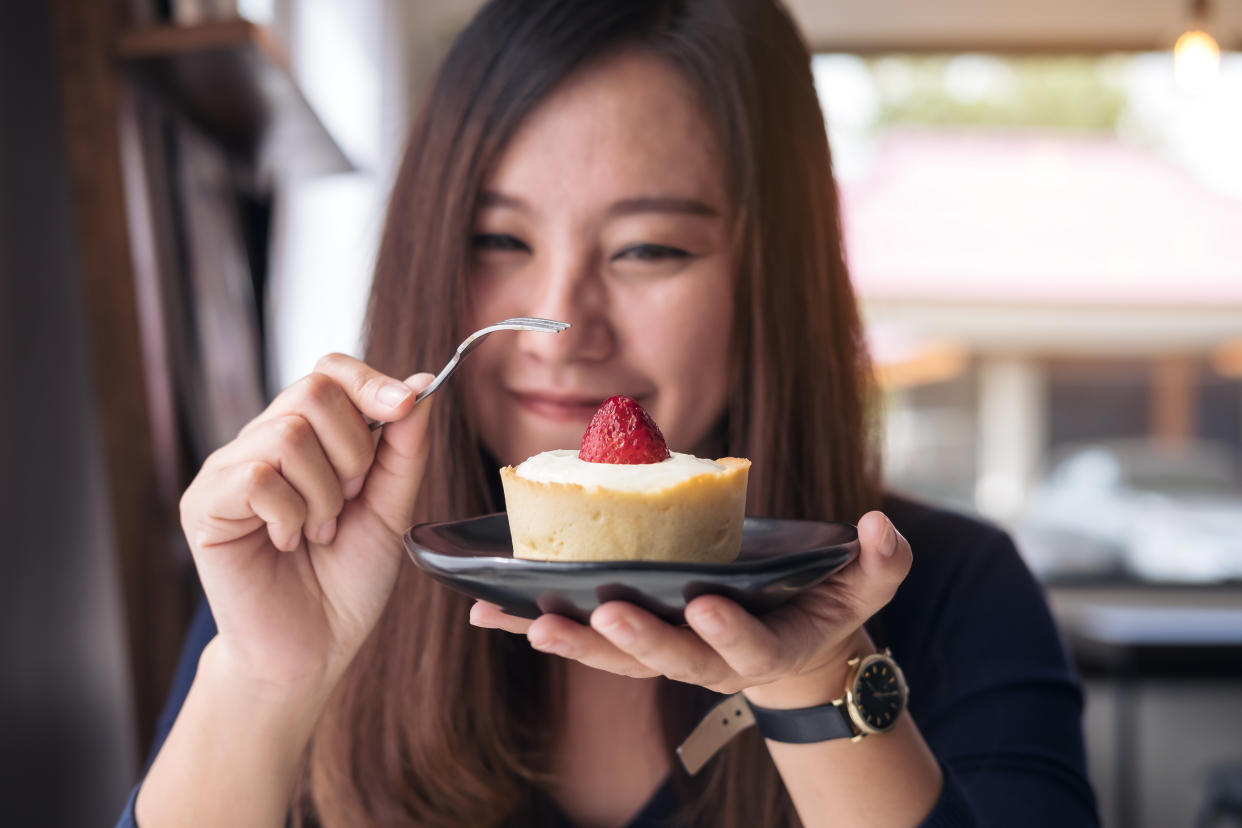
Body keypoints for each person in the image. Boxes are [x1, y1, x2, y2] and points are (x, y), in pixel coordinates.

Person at [117, 1, 1099, 826]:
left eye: (647, 250)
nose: (557, 330)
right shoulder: (316, 574)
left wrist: (812, 675)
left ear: (774, 278)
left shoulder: (954, 591)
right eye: (499, 238)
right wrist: (265, 680)